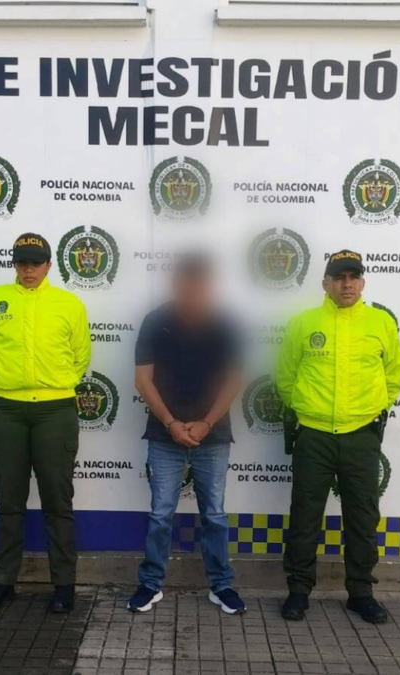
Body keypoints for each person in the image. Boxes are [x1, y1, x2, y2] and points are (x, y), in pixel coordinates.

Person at [275, 249, 400, 623]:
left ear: (362, 282)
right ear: (326, 283)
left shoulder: (381, 322)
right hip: (314, 435)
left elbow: (394, 373)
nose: (347, 284)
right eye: (339, 278)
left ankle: (361, 594)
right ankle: (298, 591)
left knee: (363, 518)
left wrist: (374, 408)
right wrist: (305, 407)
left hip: (360, 436)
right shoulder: (304, 322)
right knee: (305, 516)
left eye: (353, 277)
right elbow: (285, 375)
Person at [0, 233, 91, 613]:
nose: (28, 270)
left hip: (55, 410)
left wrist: (52, 385)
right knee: (8, 501)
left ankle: (64, 586)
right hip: (7, 409)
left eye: (36, 263)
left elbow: (80, 356)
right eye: (22, 262)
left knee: (58, 501)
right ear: (14, 264)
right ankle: (2, 583)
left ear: (49, 265)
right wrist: (10, 382)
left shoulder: (69, 303)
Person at [126, 254, 246, 615]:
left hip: (214, 435)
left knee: (215, 515)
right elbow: (142, 380)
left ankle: (221, 585)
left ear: (209, 284)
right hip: (165, 435)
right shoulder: (155, 321)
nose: (192, 287)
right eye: (186, 280)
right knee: (161, 514)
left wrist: (206, 423)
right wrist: (171, 424)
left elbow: (233, 381)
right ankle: (151, 584)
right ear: (176, 282)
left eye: (199, 280)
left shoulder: (226, 324)